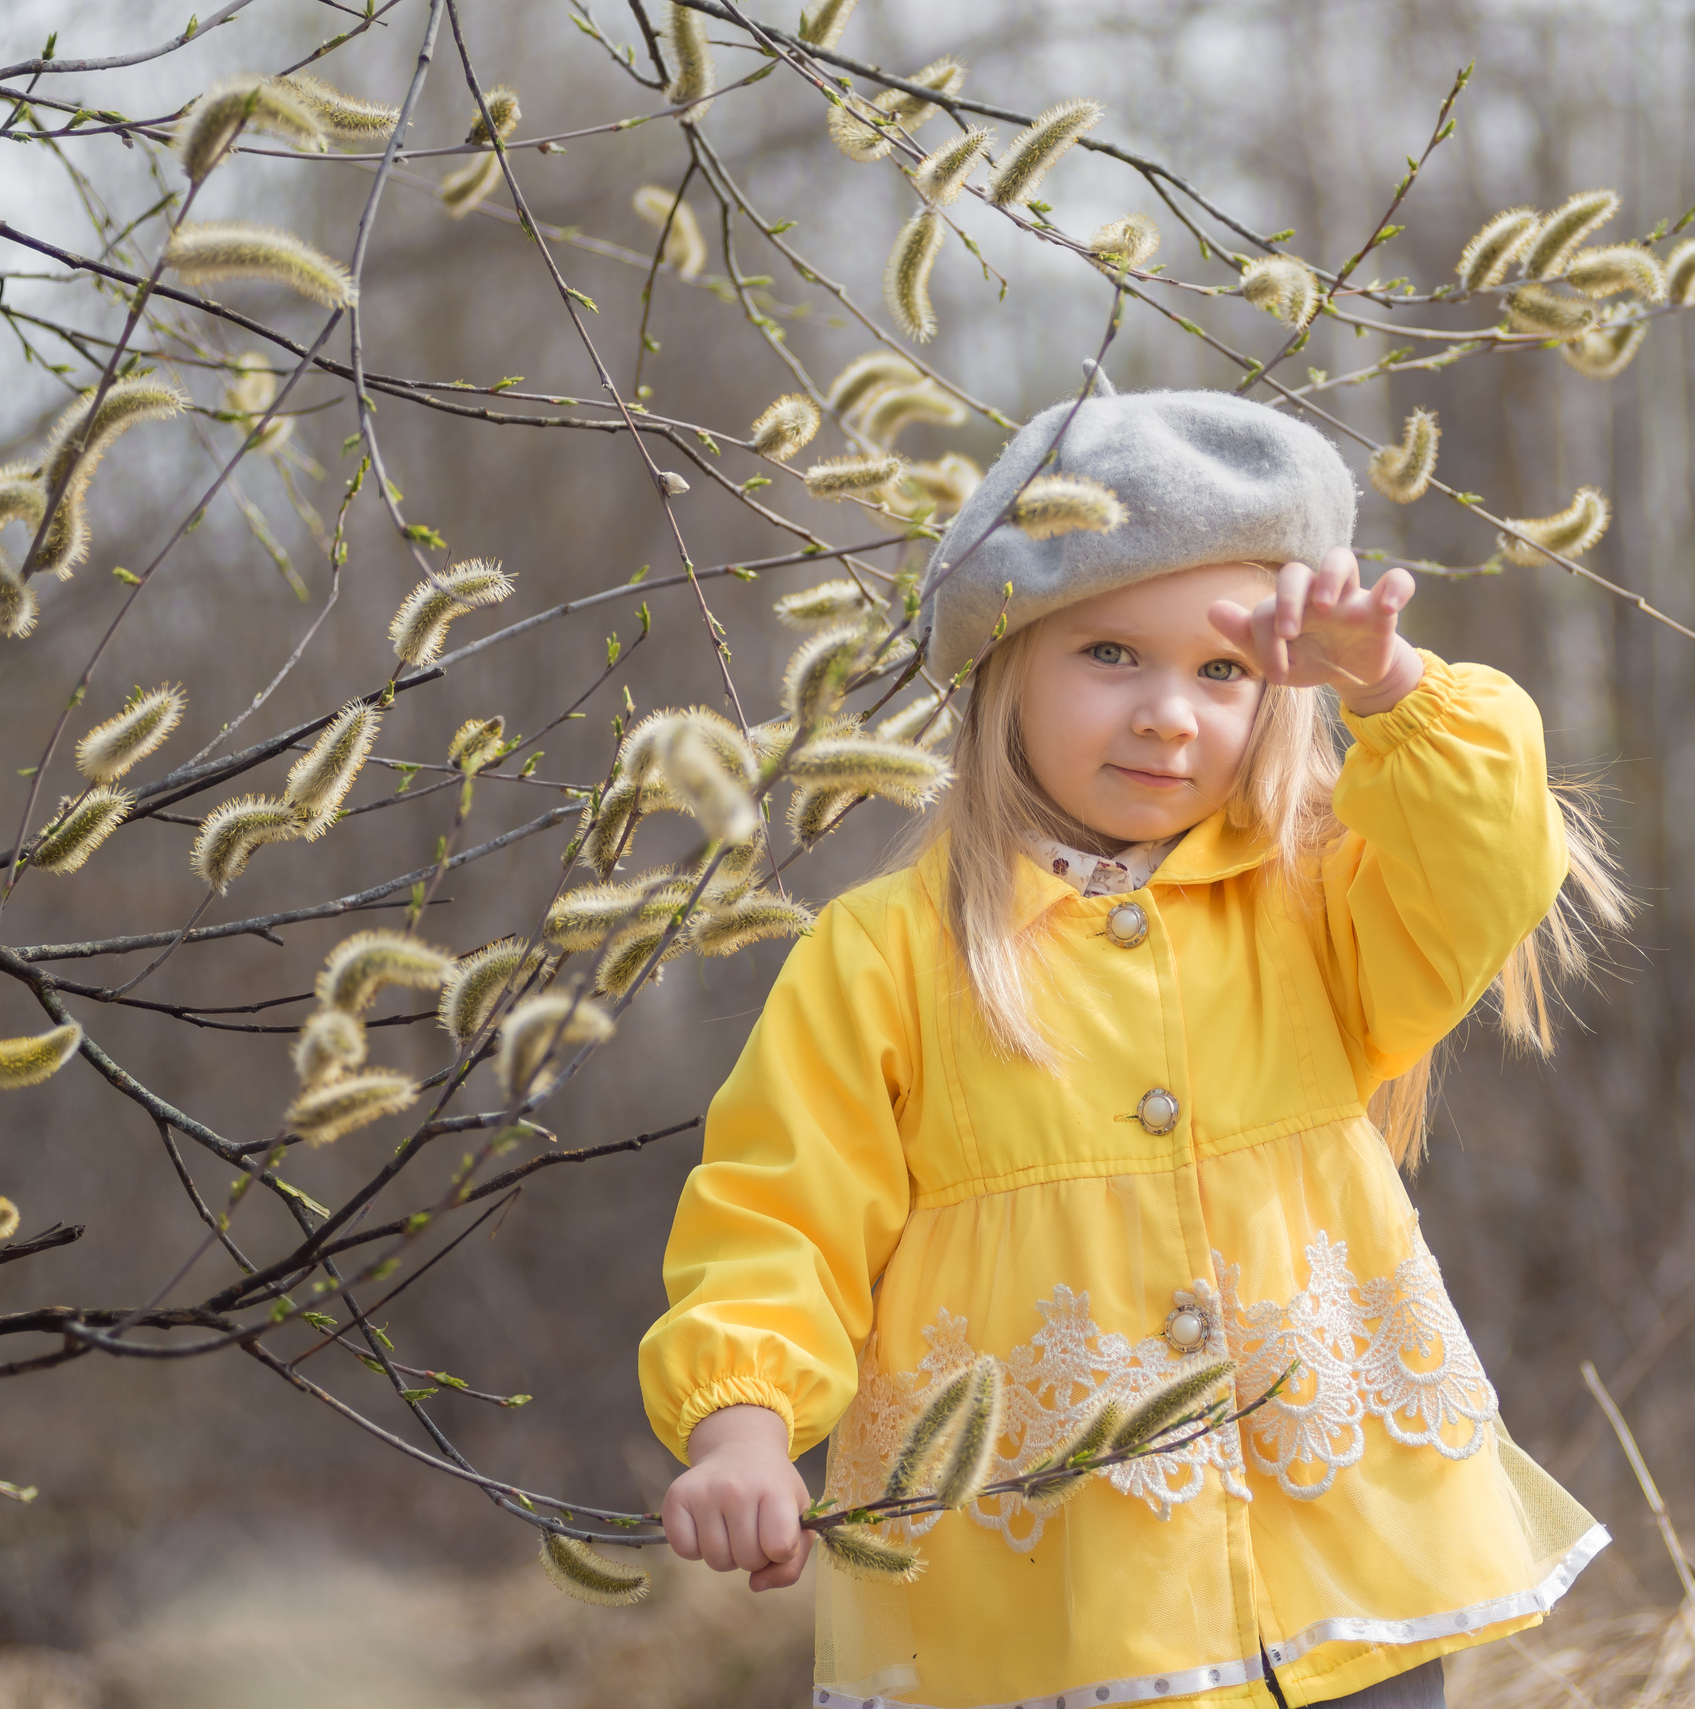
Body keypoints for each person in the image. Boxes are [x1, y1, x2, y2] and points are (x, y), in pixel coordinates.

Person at [639, 384, 1617, 1709]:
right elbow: (778, 1221)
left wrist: (1389, 685)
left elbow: (1492, 868)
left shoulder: (1313, 899)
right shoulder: (887, 957)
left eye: (1221, 671)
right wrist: (743, 1426)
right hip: (1050, 1592)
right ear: (1005, 664)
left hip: (1340, 1556)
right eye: (1111, 655)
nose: (1169, 714)